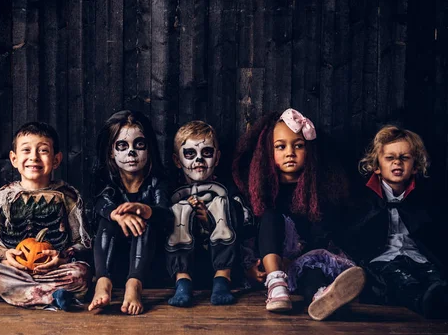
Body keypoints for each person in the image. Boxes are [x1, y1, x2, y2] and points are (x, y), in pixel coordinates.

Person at [233, 109, 365, 319]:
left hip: (305, 257)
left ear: (309, 150)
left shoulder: (320, 191)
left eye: (299, 145)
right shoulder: (262, 191)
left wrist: (296, 260)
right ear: (268, 152)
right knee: (270, 216)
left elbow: (322, 234)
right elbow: (249, 233)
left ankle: (322, 297)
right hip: (271, 265)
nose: (290, 153)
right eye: (280, 146)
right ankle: (277, 287)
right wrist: (250, 268)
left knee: (313, 273)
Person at [0, 122, 91, 310]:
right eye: (26, 150)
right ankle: (51, 296)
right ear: (14, 159)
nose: (34, 157)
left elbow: (82, 242)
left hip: (52, 270)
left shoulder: (67, 197)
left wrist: (62, 257)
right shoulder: (3, 197)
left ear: (56, 159)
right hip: (11, 269)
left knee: (81, 273)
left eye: (43, 151)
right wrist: (6, 256)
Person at [344, 125, 448, 318]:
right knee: (401, 281)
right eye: (390, 158)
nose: (397, 163)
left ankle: (436, 297)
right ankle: (423, 303)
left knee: (435, 278)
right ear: (376, 166)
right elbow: (355, 236)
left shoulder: (424, 200)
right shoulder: (363, 199)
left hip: (417, 258)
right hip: (382, 261)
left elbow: (434, 237)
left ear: (415, 166)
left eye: (405, 158)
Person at [88, 110, 171, 315]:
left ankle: (134, 286)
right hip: (114, 262)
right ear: (111, 152)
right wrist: (116, 215)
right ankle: (102, 283)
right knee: (107, 221)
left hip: (149, 264)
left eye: (139, 145)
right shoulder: (109, 183)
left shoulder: (157, 182)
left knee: (145, 221)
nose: (131, 153)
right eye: (122, 146)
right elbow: (100, 203)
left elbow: (168, 214)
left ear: (149, 149)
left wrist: (146, 210)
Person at [166, 121, 246, 307]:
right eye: (190, 154)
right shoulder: (171, 191)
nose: (199, 160)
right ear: (178, 160)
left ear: (217, 158)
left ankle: (222, 280)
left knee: (224, 203)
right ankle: (182, 281)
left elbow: (243, 222)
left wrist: (208, 219)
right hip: (187, 263)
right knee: (179, 209)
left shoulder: (228, 190)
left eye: (206, 153)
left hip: (222, 263)